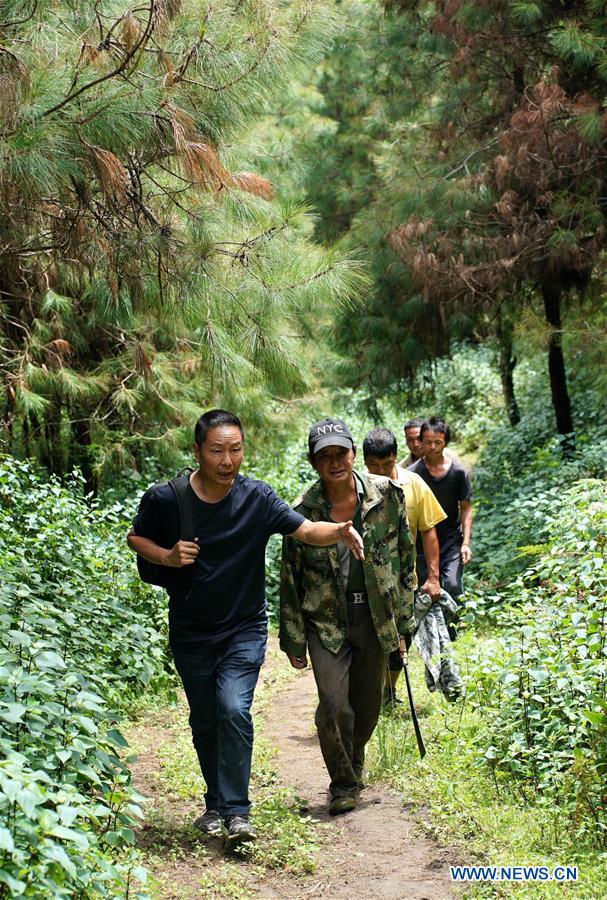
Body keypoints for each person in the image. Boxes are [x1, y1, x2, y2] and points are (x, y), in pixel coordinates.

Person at [127, 409, 364, 845]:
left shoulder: (257, 498)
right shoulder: (168, 498)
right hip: (191, 629)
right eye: (217, 450)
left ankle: (237, 812)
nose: (227, 460)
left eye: (235, 450)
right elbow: (135, 538)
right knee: (205, 718)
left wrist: (339, 531)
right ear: (197, 451)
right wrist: (165, 556)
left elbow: (306, 529)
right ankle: (215, 804)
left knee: (233, 708)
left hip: (244, 628)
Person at [280, 418, 414, 815]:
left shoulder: (387, 496)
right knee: (333, 705)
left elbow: (406, 558)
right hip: (325, 620)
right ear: (313, 461)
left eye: (341, 453)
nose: (335, 462)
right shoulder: (302, 512)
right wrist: (293, 638)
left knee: (368, 703)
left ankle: (353, 763)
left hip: (375, 614)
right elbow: (290, 577)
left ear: (354, 454)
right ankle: (342, 783)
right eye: (326, 456)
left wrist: (403, 622)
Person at [363, 427, 447, 704]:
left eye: (386, 465)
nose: (381, 472)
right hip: (366, 582)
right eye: (373, 466)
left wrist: (433, 577)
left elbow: (429, 532)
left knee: (402, 638)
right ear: (364, 462)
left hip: (403, 581)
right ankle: (369, 692)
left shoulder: (414, 484)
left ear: (396, 457)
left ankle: (388, 690)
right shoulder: (356, 488)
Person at [408, 417, 473, 606]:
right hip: (422, 542)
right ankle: (429, 633)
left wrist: (466, 543)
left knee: (453, 585)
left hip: (451, 539)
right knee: (423, 591)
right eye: (428, 442)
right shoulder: (413, 474)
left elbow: (466, 509)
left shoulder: (458, 473)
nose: (433, 447)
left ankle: (456, 629)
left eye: (438, 442)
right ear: (421, 442)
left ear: (446, 443)